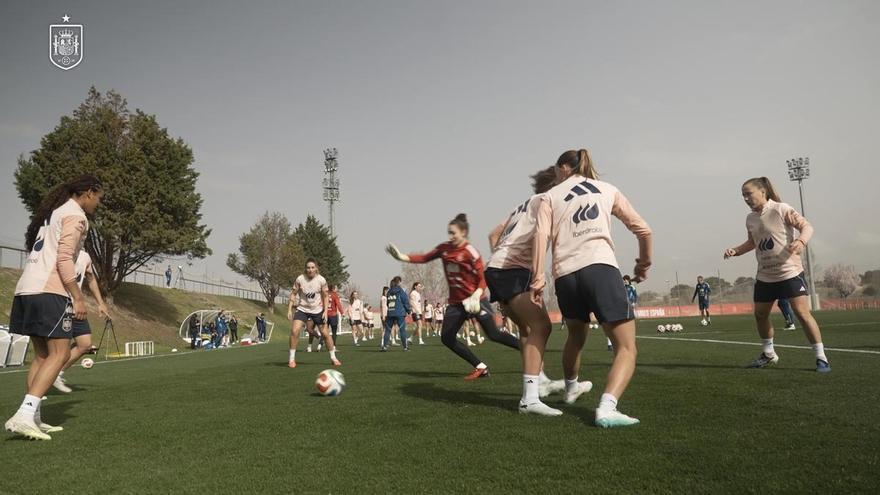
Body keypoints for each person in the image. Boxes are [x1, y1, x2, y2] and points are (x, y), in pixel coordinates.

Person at [531, 149, 652, 428]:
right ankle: (608, 407)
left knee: (575, 336)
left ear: (564, 168)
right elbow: (644, 230)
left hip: (565, 276)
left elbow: (541, 237)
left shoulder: (550, 196)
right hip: (600, 268)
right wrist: (643, 265)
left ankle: (571, 387)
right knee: (626, 347)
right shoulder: (606, 189)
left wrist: (538, 278)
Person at [5, 174, 103, 440]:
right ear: (89, 192)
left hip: (26, 289)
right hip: (50, 292)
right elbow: (63, 260)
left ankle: (33, 418)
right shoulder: (76, 216)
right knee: (59, 354)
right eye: (98, 198)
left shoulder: (52, 214)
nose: (97, 204)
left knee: (42, 356)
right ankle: (25, 414)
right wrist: (78, 297)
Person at [386, 213, 520, 379]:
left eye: (453, 233)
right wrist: (402, 257)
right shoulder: (444, 248)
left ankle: (527, 349)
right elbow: (425, 257)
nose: (450, 236)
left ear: (463, 233)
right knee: (447, 338)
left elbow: (482, 279)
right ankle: (480, 367)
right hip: (457, 304)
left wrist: (476, 295)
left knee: (494, 335)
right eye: (448, 232)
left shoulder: (471, 252)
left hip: (476, 301)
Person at [485, 165, 573, 415]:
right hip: (513, 271)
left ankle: (540, 382)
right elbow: (540, 238)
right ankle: (529, 399)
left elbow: (493, 235)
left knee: (526, 328)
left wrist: (501, 257)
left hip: (498, 269)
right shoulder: (548, 200)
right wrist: (537, 275)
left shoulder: (523, 204)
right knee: (542, 326)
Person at [723, 177, 829, 372]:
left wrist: (801, 242)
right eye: (743, 195)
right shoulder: (750, 219)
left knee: (802, 314)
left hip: (790, 271)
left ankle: (821, 357)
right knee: (760, 314)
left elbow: (807, 226)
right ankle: (769, 354)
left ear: (762, 192)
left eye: (749, 193)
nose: (745, 198)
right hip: (765, 275)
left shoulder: (781, 209)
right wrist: (735, 250)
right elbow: (752, 242)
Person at [53, 248, 111, 393]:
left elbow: (91, 278)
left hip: (77, 307)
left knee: (85, 344)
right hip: (58, 305)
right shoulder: (58, 252)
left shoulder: (85, 257)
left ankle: (56, 375)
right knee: (55, 352)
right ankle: (37, 390)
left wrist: (101, 303)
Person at [287, 259, 341, 368]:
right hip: (302, 309)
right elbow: (293, 294)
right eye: (308, 267)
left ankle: (333, 358)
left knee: (325, 333)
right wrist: (289, 309)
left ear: (316, 268)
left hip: (317, 310)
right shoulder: (300, 279)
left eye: (312, 267)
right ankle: (291, 359)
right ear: (305, 268)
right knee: (294, 330)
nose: (310, 270)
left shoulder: (321, 280)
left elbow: (325, 296)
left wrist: (325, 311)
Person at [381, 276, 411, 351]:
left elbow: (388, 303)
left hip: (390, 313)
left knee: (388, 330)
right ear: (399, 282)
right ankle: (405, 347)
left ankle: (384, 346)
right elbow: (405, 301)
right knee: (402, 330)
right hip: (400, 313)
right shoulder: (401, 291)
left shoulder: (389, 292)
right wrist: (408, 310)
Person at [322, 284, 345, 349]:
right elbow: (338, 304)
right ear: (333, 288)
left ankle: (320, 345)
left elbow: (321, 304)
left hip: (325, 315)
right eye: (336, 288)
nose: (337, 289)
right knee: (334, 332)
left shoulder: (324, 294)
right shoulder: (335, 295)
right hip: (333, 315)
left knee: (324, 330)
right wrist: (342, 313)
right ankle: (333, 346)